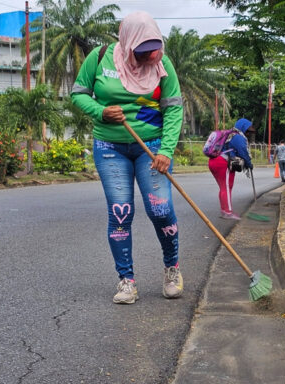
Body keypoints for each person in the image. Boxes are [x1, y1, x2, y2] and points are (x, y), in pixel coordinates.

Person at [71, 11, 184, 305]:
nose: (150, 59)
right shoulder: (100, 57)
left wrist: (166, 151)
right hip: (110, 147)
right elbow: (78, 94)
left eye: (155, 52)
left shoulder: (162, 63)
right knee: (121, 211)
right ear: (128, 42)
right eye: (143, 53)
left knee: (160, 210)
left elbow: (173, 108)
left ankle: (172, 268)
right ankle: (126, 281)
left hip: (153, 145)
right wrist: (101, 112)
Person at [208, 118, 254, 221]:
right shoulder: (238, 137)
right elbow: (243, 152)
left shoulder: (229, 134)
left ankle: (224, 210)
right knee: (226, 187)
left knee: (224, 187)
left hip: (214, 161)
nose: (248, 133)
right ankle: (228, 212)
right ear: (243, 128)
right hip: (222, 163)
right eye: (247, 130)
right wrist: (249, 163)